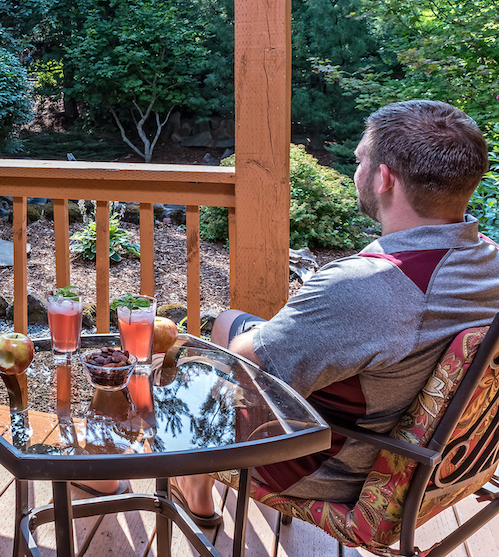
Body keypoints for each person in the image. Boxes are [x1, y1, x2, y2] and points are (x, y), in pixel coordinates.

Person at [172, 100, 499, 527]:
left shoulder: (366, 287)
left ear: (384, 178)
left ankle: (149, 484)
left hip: (339, 471)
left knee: (179, 371)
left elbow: (243, 374)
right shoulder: (487, 263)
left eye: (360, 160)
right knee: (230, 319)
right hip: (447, 464)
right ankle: (197, 489)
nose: (356, 171)